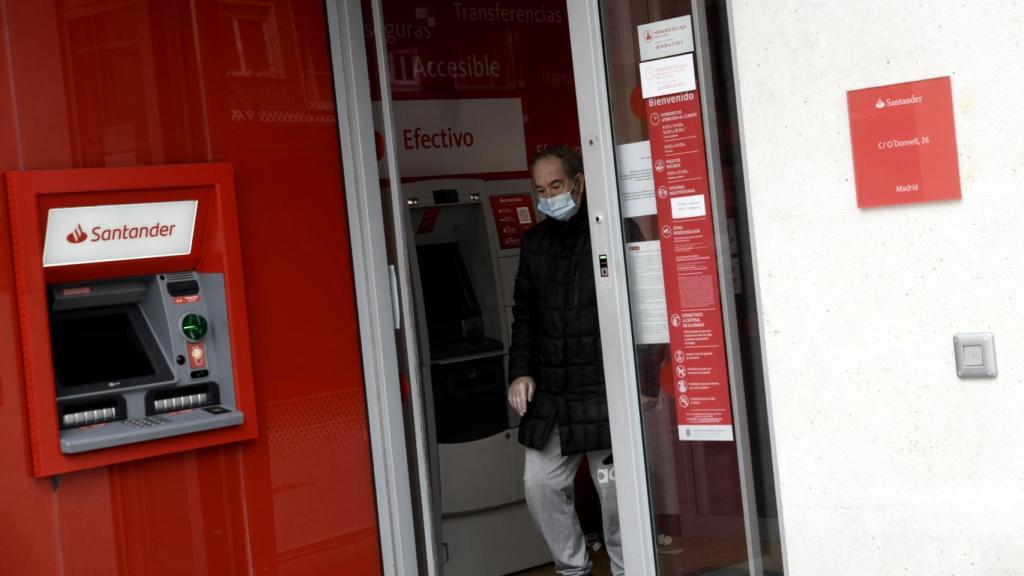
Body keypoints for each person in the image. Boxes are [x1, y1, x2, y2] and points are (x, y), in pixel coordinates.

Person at [507, 144, 623, 576]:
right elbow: (525, 317)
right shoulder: (534, 243)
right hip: (554, 394)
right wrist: (520, 371)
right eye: (540, 189)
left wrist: (644, 381)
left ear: (578, 182)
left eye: (556, 185)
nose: (548, 196)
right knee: (539, 484)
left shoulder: (610, 233)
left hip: (603, 390)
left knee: (615, 496)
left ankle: (628, 567)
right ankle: (573, 568)